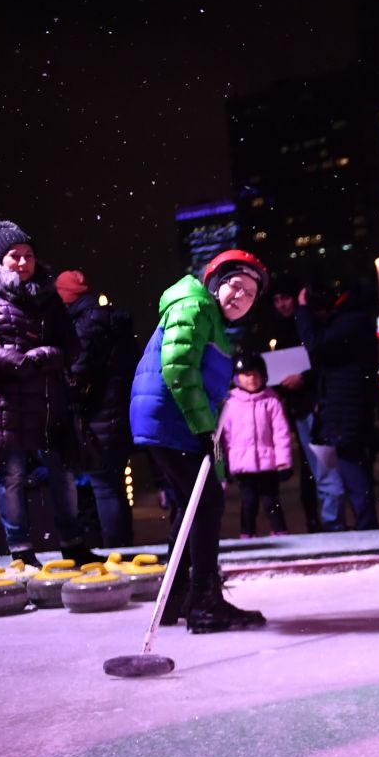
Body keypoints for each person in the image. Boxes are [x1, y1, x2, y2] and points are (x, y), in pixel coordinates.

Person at [131, 249, 270, 633]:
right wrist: (203, 428)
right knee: (206, 504)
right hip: (170, 420)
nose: (240, 297)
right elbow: (177, 367)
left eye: (250, 295)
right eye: (235, 286)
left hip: (171, 421)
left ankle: (179, 596)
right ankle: (205, 602)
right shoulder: (193, 305)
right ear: (215, 282)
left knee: (190, 507)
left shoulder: (209, 317)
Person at [0, 220, 97, 567]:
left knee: (62, 472)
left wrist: (45, 355)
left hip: (49, 398)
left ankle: (72, 543)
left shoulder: (48, 296)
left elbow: (72, 346)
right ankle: (20, 549)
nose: (23, 262)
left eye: (28, 255)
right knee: (12, 474)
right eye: (15, 256)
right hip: (5, 399)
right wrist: (11, 359)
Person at [57, 269, 138, 548]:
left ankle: (118, 550)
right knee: (113, 484)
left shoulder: (85, 325)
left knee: (104, 485)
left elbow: (78, 374)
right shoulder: (111, 320)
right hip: (120, 414)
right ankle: (124, 546)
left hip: (99, 417)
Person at [295, 281, 379, 530]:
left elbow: (314, 344)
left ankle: (367, 526)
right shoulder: (351, 319)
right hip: (348, 407)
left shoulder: (350, 321)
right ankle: (366, 524)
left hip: (348, 409)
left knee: (352, 467)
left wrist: (302, 310)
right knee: (353, 466)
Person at [265, 276, 327, 533]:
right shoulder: (280, 329)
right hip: (296, 405)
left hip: (312, 402)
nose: (281, 305)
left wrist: (303, 378)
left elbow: (320, 359)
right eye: (277, 300)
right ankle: (315, 520)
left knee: (320, 467)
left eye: (285, 298)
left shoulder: (307, 324)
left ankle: (324, 520)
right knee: (310, 469)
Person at [215, 354, 296, 538]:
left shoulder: (271, 401)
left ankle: (280, 531)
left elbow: (280, 433)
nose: (251, 379)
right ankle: (247, 533)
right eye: (246, 374)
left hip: (268, 464)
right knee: (248, 502)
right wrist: (224, 465)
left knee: (271, 501)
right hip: (243, 466)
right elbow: (224, 436)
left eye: (255, 374)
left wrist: (283, 462)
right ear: (236, 377)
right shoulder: (230, 403)